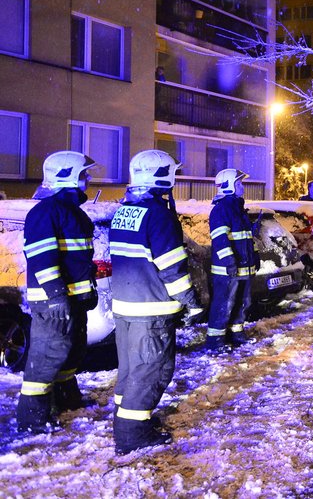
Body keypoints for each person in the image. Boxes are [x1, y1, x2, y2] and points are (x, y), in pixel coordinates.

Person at [109, 149, 203, 455]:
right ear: (163, 176)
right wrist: (190, 300)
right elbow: (172, 266)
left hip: (127, 309)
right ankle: (133, 435)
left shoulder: (125, 211)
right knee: (151, 372)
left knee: (131, 373)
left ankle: (128, 423)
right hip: (151, 311)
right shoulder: (159, 215)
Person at [16, 151, 99, 433]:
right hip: (54, 302)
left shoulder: (70, 211)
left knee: (71, 351)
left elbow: (76, 259)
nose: (88, 178)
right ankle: (33, 419)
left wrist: (88, 290)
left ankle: (66, 399)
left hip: (73, 298)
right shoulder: (45, 212)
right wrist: (56, 294)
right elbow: (41, 258)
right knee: (47, 357)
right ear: (67, 176)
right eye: (84, 173)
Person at [205, 168, 256, 351]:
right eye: (239, 183)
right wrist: (229, 262)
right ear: (228, 186)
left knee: (243, 302)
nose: (242, 186)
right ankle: (215, 342)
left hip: (243, 268)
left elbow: (247, 238)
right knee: (224, 304)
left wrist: (254, 256)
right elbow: (220, 240)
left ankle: (236, 334)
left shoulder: (238, 208)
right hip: (228, 269)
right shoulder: (221, 210)